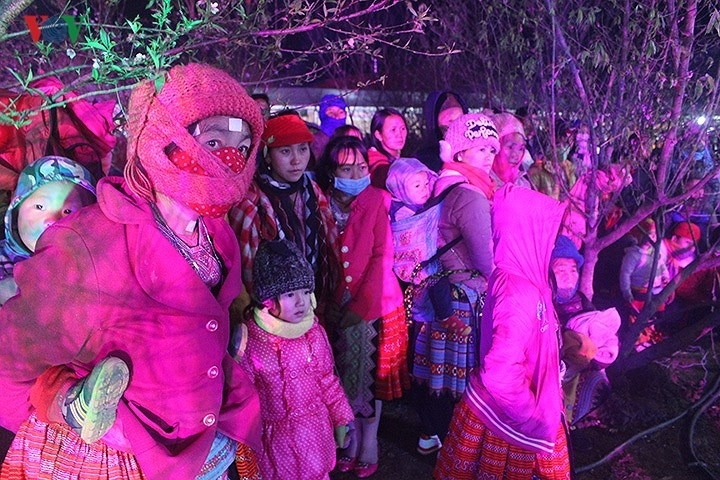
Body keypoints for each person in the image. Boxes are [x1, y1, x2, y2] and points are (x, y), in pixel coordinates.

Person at [0, 62, 263, 479]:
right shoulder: (89, 242)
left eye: (243, 146)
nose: (230, 160)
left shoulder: (216, 233)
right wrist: (54, 411)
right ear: (160, 138)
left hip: (207, 447)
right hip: (122, 460)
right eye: (212, 141)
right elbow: (11, 356)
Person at [434, 184, 571, 480]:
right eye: (548, 231)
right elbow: (500, 372)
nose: (554, 241)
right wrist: (534, 417)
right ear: (528, 232)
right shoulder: (518, 291)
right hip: (509, 424)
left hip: (511, 414)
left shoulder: (521, 276)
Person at [315, 136, 409, 478]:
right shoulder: (318, 201)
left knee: (368, 382)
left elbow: (381, 257)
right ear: (331, 171)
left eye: (361, 167)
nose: (356, 174)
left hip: (374, 303)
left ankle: (368, 443)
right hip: (331, 304)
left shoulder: (375, 200)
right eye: (346, 168)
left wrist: (360, 306)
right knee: (338, 377)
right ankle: (348, 440)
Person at [410, 113, 498, 455]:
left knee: (439, 379)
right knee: (460, 383)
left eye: (491, 149)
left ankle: (433, 437)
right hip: (464, 297)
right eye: (480, 149)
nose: (489, 156)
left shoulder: (443, 184)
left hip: (440, 291)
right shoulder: (471, 195)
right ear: (459, 152)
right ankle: (458, 452)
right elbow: (486, 259)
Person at [237, 239, 353, 480]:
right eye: (290, 294)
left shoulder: (314, 333)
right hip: (276, 445)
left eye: (306, 292)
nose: (301, 302)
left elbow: (327, 380)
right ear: (268, 299)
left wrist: (340, 418)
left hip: (316, 435)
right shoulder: (251, 341)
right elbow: (244, 395)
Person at [229, 112, 340, 320]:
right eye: (285, 151)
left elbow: (331, 248)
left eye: (303, 149)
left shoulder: (313, 190)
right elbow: (246, 267)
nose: (296, 160)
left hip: (314, 301)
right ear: (267, 155)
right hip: (272, 310)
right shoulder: (251, 199)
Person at [385, 156, 470, 335]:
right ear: (399, 188)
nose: (425, 190)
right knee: (436, 278)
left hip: (426, 259)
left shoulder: (417, 205)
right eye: (417, 186)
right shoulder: (400, 211)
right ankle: (446, 316)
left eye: (426, 184)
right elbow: (411, 235)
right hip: (411, 263)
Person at [0, 156, 97, 305]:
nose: (52, 221)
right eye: (39, 207)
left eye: (68, 211)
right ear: (16, 210)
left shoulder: (90, 268)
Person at [414, 91, 468, 172]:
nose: (455, 125)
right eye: (449, 120)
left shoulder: (474, 152)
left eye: (459, 118)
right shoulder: (423, 161)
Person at [490, 112, 532, 190]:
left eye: (521, 149)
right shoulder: (483, 184)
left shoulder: (523, 185)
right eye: (510, 147)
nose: (515, 155)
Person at [368, 108, 408, 189]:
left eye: (403, 129)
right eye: (393, 130)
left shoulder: (396, 157)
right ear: (378, 135)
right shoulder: (378, 165)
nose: (399, 135)